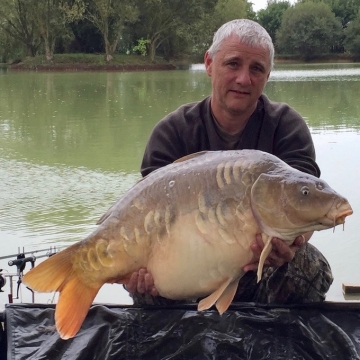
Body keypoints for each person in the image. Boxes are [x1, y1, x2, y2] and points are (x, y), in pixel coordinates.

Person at [125, 19, 333, 306]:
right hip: (185, 269)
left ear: (268, 74)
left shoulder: (287, 126)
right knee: (142, 284)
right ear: (209, 63)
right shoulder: (172, 132)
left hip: (259, 271)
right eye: (233, 64)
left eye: (256, 69)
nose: (244, 79)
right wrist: (138, 271)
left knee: (309, 268)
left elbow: (305, 203)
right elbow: (145, 215)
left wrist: (294, 243)